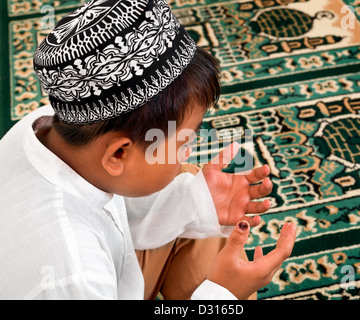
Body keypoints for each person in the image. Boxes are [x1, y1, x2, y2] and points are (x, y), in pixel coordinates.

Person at [0, 0, 296, 300]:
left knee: (191, 183)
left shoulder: (44, 126)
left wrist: (197, 203)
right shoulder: (73, 277)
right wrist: (223, 295)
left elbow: (109, 214)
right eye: (183, 143)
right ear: (117, 154)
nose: (188, 151)